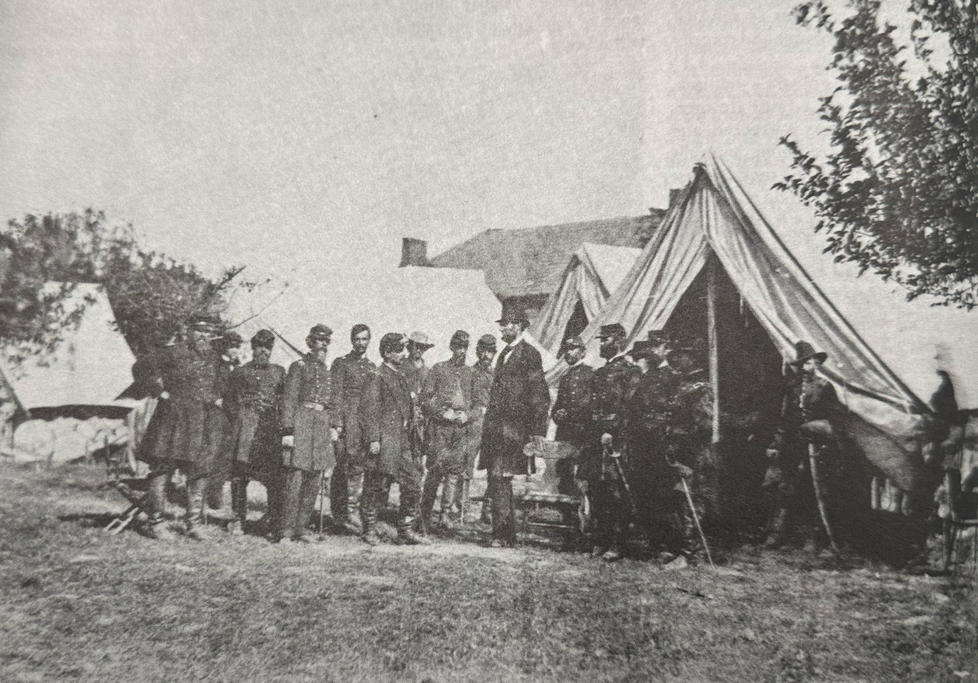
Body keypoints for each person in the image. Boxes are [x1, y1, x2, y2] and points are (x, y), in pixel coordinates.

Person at [138, 313, 229, 541]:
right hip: (172, 420)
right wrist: (160, 392)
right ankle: (155, 522)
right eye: (199, 330)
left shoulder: (215, 359)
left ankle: (193, 524)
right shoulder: (173, 352)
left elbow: (221, 386)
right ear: (189, 331)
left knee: (200, 471)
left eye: (208, 332)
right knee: (161, 470)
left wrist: (216, 398)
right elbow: (141, 367)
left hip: (201, 422)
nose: (203, 336)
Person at [478, 303, 550, 548]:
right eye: (502, 324)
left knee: (499, 477)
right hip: (497, 430)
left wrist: (538, 431)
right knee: (498, 479)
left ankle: (502, 534)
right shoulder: (503, 354)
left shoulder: (529, 354)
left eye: (507, 324)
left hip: (512, 431)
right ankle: (505, 533)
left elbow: (539, 394)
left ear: (518, 326)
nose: (503, 328)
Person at [763, 340, 843, 552]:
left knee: (817, 490)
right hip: (794, 446)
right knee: (786, 489)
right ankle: (777, 534)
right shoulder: (792, 388)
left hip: (818, 449)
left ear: (816, 364)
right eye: (803, 364)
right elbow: (784, 419)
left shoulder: (825, 388)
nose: (806, 368)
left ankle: (816, 537)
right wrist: (776, 443)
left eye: (810, 363)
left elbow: (835, 419)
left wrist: (819, 427)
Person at [359, 332, 431, 545]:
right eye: (399, 350)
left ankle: (405, 530)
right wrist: (373, 439)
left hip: (403, 442)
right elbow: (369, 410)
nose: (403, 354)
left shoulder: (401, 376)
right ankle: (369, 529)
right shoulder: (376, 375)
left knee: (413, 483)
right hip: (384, 441)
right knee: (376, 486)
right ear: (388, 352)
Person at [577, 323, 640, 561]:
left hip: (616, 441)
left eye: (606, 340)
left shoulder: (629, 371)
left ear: (619, 342)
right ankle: (600, 540)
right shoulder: (600, 372)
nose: (602, 344)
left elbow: (630, 408)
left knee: (616, 491)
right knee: (597, 490)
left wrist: (613, 432)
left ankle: (617, 543)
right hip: (595, 438)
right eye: (601, 340)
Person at [278, 324, 338, 543]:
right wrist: (288, 430)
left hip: (321, 426)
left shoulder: (326, 371)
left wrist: (333, 426)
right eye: (319, 341)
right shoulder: (298, 366)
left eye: (326, 342)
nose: (323, 345)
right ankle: (285, 531)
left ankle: (301, 528)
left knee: (314, 479)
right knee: (295, 479)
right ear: (310, 342)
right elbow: (289, 399)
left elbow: (330, 403)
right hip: (302, 422)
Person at [223, 330, 285, 535]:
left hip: (268, 433)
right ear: (252, 348)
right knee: (240, 477)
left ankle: (274, 522)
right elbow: (229, 403)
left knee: (274, 479)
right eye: (259, 346)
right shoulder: (239, 373)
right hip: (246, 434)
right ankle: (237, 519)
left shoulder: (279, 372)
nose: (263, 351)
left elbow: (284, 401)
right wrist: (241, 420)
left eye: (267, 347)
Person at [420, 330, 473, 531]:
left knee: (453, 474)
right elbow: (424, 399)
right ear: (451, 347)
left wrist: (468, 416)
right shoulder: (439, 369)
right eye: (458, 346)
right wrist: (442, 414)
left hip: (460, 431)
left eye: (465, 347)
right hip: (440, 429)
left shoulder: (470, 373)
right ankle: (424, 515)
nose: (461, 351)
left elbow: (479, 404)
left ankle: (445, 514)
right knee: (435, 471)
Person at [329, 323, 375, 535]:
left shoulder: (372, 367)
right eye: (357, 339)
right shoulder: (341, 363)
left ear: (369, 341)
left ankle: (351, 510)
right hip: (347, 420)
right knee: (342, 467)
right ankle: (339, 513)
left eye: (364, 339)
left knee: (358, 467)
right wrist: (336, 423)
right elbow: (336, 394)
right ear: (351, 340)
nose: (360, 343)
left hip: (363, 422)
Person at [550, 335, 593, 518]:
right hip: (565, 433)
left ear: (583, 352)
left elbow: (590, 405)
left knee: (581, 478)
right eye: (566, 349)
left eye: (573, 348)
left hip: (581, 434)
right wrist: (557, 413)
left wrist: (571, 414)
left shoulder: (591, 374)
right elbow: (558, 405)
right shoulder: (565, 377)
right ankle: (568, 520)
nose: (568, 352)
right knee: (564, 475)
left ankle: (583, 519)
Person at [458, 333, 497, 524]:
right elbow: (464, 401)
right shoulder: (469, 373)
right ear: (477, 351)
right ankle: (460, 507)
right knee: (466, 466)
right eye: (483, 351)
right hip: (473, 425)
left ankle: (488, 511)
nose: (486, 355)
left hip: (492, 426)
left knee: (493, 468)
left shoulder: (497, 374)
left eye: (490, 351)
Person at [206, 330, 244, 512]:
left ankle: (216, 492)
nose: (235, 350)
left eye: (237, 346)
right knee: (212, 452)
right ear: (224, 346)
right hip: (215, 414)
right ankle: (209, 493)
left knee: (226, 457)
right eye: (232, 346)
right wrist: (215, 399)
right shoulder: (215, 364)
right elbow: (207, 386)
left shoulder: (237, 367)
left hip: (231, 416)